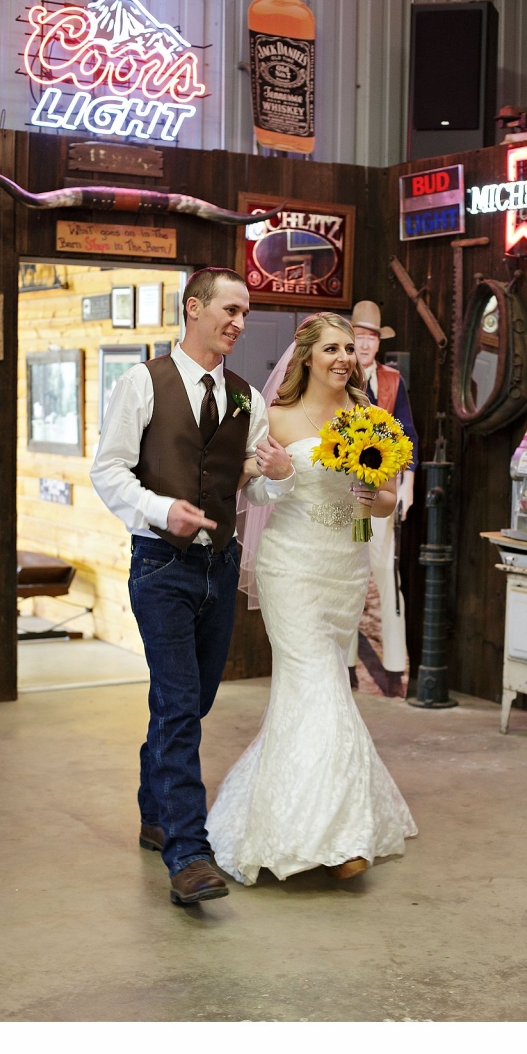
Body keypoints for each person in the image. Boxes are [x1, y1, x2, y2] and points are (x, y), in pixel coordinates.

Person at [90, 267, 295, 907]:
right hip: (160, 564)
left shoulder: (246, 399)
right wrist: (159, 509)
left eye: (245, 314)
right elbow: (108, 470)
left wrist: (277, 474)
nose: (239, 323)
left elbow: (252, 483)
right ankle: (188, 855)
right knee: (180, 708)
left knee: (194, 701)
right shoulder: (142, 383)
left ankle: (156, 811)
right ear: (194, 308)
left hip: (219, 565)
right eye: (230, 310)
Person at [206, 313, 417, 884]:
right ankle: (340, 837)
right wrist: (276, 474)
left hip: (343, 567)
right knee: (318, 683)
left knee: (309, 693)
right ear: (306, 358)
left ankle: (286, 813)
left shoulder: (371, 420)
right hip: (291, 567)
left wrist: (374, 494)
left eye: (350, 348)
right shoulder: (273, 417)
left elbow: (387, 501)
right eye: (332, 348)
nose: (345, 357)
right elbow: (250, 490)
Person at [347, 301, 420, 697]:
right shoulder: (339, 373)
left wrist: (407, 483)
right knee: (348, 571)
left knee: (384, 572)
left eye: (371, 337)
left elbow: (407, 432)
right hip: (347, 488)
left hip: (383, 490)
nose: (364, 344)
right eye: (358, 336)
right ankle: (346, 664)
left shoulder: (392, 380)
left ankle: (394, 666)